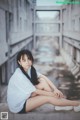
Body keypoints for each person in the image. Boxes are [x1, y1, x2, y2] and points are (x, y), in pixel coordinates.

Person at [7, 49, 80, 114]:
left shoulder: (28, 69)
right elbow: (36, 91)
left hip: (24, 96)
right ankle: (76, 103)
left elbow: (43, 77)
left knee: (42, 81)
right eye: (24, 60)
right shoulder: (19, 75)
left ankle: (59, 103)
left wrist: (55, 89)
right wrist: (51, 94)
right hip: (18, 106)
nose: (27, 62)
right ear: (19, 62)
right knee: (47, 98)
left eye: (29, 59)